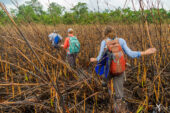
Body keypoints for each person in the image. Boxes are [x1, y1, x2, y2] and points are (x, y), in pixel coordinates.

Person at [90, 26, 157, 112]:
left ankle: (105, 86)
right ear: (115, 32)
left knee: (104, 77)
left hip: (108, 71)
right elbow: (131, 54)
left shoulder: (104, 42)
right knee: (119, 94)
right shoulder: (121, 41)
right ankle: (119, 108)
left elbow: (99, 58)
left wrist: (94, 59)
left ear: (105, 34)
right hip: (119, 70)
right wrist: (145, 52)